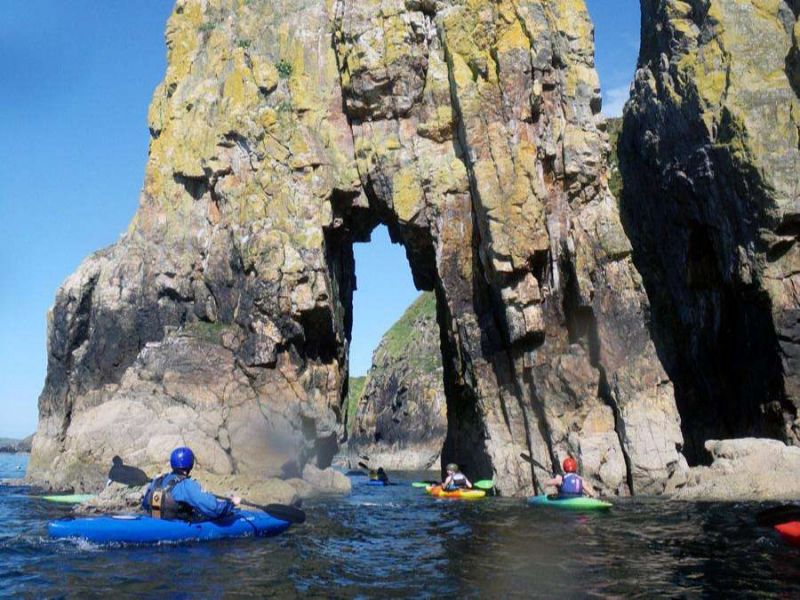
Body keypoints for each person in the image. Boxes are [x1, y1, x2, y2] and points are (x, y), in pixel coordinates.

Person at [142, 447, 241, 521]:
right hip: (177, 526)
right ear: (190, 464)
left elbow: (145, 504)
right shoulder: (187, 485)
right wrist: (230, 504)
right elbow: (213, 509)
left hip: (154, 520)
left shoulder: (158, 479)